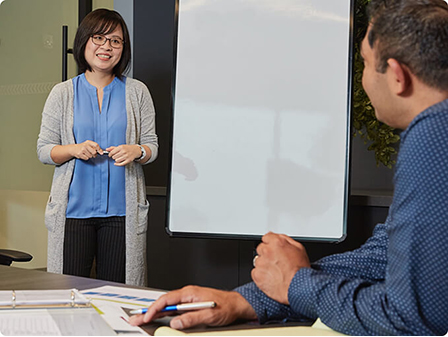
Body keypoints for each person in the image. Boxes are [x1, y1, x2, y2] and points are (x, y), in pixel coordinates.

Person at [130, 0, 448, 334]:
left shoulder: (433, 133)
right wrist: (251, 300)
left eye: (365, 65)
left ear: (397, 76)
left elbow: (410, 316)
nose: (363, 81)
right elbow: (384, 256)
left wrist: (298, 283)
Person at [37, 8, 158, 286]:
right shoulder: (63, 93)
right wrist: (73, 149)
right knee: (68, 291)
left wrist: (137, 151)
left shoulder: (137, 92)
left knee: (118, 294)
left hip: (122, 213)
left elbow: (152, 146)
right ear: (84, 42)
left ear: (122, 48)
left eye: (115, 41)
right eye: (99, 38)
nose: (106, 47)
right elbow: (44, 150)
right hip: (72, 213)